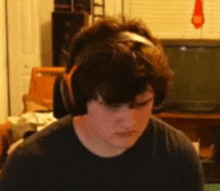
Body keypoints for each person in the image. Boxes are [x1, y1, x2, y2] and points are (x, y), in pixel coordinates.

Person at [0, 17, 204, 190]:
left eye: (142, 104)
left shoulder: (177, 157)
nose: (129, 122)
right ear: (77, 98)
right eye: (112, 106)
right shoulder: (29, 166)